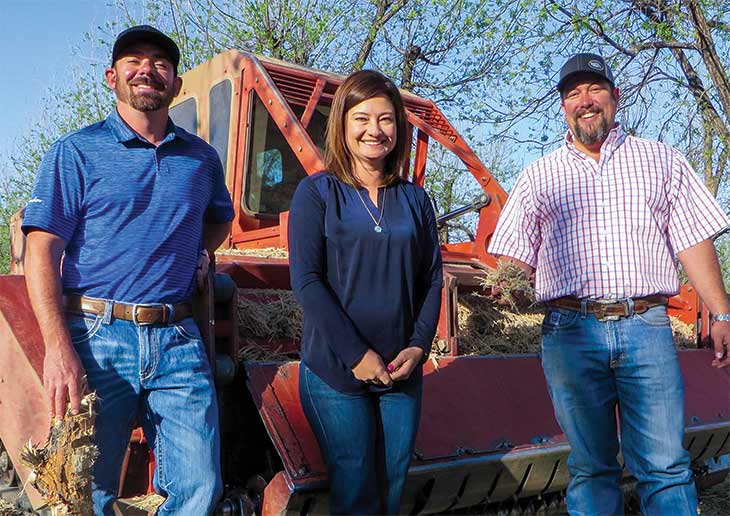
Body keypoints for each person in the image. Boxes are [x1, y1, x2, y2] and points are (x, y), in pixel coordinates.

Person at [488, 52, 730, 515]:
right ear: (563, 106)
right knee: (591, 466)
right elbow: (511, 258)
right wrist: (510, 281)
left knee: (664, 465)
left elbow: (694, 240)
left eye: (594, 89)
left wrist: (721, 312)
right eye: (573, 93)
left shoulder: (661, 160)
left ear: (615, 98)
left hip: (646, 327)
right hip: (570, 332)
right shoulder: (540, 176)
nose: (585, 100)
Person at [22, 25, 234, 514]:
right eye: (134, 61)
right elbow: (41, 251)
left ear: (175, 85)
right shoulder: (75, 152)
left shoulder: (201, 160)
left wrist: (198, 253)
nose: (147, 70)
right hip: (97, 337)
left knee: (200, 488)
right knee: (85, 493)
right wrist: (58, 350)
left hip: (177, 336)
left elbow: (219, 220)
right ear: (111, 76)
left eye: (160, 63)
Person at [288, 70, 442, 515]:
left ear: (399, 127)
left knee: (392, 491)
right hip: (336, 371)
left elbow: (431, 277)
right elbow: (307, 280)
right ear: (342, 124)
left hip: (400, 373)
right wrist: (357, 355)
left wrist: (418, 346)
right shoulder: (317, 193)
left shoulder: (415, 200)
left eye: (386, 119)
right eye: (362, 118)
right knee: (356, 493)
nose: (374, 130)